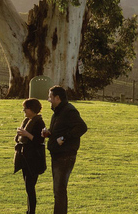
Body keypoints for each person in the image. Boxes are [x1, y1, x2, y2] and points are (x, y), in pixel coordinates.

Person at [41, 85, 88, 214]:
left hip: (65, 156)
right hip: (57, 155)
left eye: (50, 97)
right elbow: (60, 130)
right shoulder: (58, 112)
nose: (48, 99)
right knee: (58, 190)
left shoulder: (69, 111)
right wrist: (49, 133)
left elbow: (82, 127)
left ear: (57, 98)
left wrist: (64, 138)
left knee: (59, 190)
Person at [14, 98, 47, 214]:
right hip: (25, 158)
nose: (24, 110)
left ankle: (31, 211)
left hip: (34, 159)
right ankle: (29, 210)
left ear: (32, 109)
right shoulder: (26, 121)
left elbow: (39, 140)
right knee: (28, 187)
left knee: (30, 187)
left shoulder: (39, 122)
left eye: (26, 108)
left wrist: (26, 134)